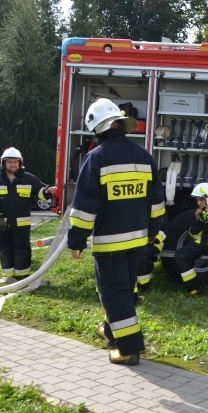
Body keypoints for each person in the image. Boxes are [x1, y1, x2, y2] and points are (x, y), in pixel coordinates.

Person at [67, 98, 165, 366]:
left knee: (114, 292)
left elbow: (87, 205)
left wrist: (76, 239)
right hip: (138, 241)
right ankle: (112, 331)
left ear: (98, 128)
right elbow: (156, 201)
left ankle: (129, 349)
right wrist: (152, 232)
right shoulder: (144, 156)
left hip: (110, 244)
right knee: (124, 289)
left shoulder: (96, 157)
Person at [0, 147, 56, 279]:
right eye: (10, 162)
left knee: (22, 249)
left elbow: (41, 191)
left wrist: (49, 190)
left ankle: (22, 276)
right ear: (4, 163)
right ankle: (8, 276)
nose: (13, 164)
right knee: (4, 249)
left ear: (20, 163)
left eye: (15, 162)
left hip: (21, 225)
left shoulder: (29, 179)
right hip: (0, 224)